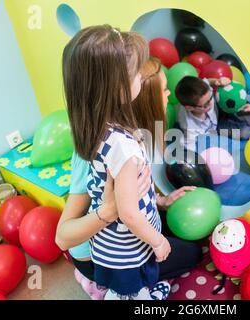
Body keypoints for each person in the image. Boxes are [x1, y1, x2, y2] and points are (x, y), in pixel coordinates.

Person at [58, 26, 201, 300]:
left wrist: (158, 202)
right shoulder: (119, 147)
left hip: (112, 242)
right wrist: (153, 239)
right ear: (118, 87)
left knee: (154, 251)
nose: (169, 95)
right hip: (113, 254)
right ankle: (110, 288)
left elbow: (129, 196)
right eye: (138, 73)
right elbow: (68, 235)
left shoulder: (108, 133)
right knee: (142, 282)